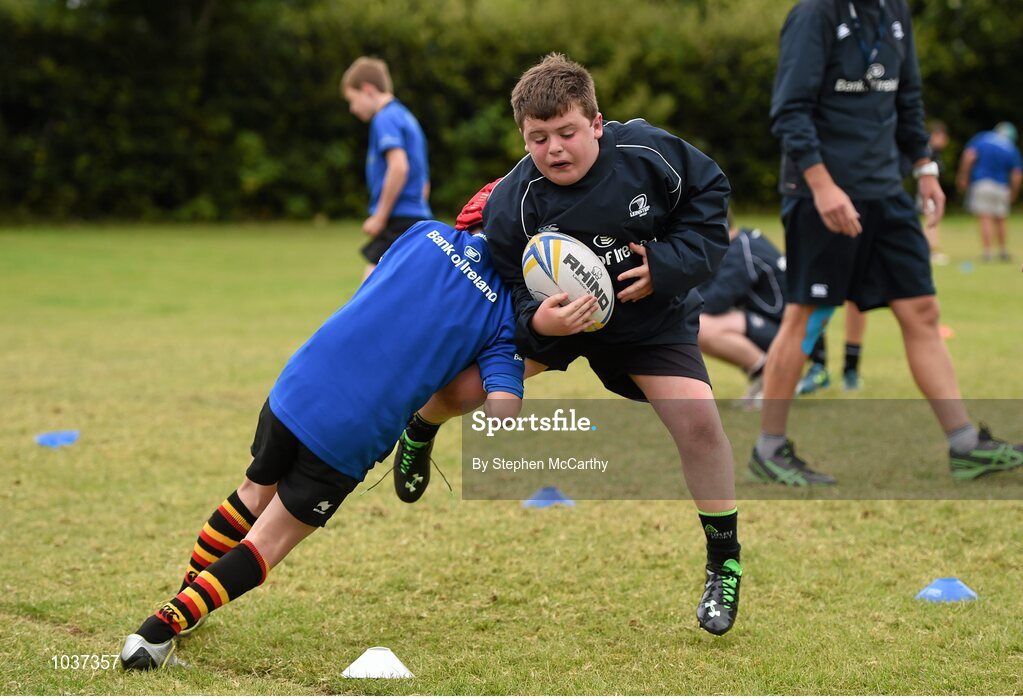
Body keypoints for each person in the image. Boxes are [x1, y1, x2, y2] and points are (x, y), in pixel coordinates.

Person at [392, 54, 744, 636]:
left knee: (700, 423)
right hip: (560, 320)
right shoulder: (513, 203)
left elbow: (710, 205)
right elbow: (506, 297)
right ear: (523, 139)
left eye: (567, 132)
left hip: (648, 319)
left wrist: (666, 266)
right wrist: (541, 325)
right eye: (538, 138)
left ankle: (723, 563)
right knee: (462, 387)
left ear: (597, 124)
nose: (555, 148)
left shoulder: (649, 154)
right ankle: (420, 428)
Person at [118, 205, 525, 670]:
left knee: (251, 494)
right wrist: (546, 332)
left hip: (299, 384)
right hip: (351, 431)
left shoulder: (424, 233)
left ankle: (186, 601)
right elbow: (502, 410)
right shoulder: (506, 316)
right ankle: (156, 633)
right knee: (267, 542)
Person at [756, 0, 1023, 486]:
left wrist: (924, 168)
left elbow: (908, 98)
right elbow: (789, 110)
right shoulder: (815, 14)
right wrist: (821, 184)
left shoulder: (895, 11)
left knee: (922, 311)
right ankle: (769, 447)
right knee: (807, 315)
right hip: (822, 196)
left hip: (886, 192)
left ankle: (964, 444)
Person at [341, 56, 432, 280]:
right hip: (417, 216)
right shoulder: (406, 117)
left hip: (398, 218)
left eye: (352, 100)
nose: (353, 109)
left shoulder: (385, 118)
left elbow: (399, 167)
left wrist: (380, 216)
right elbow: (423, 181)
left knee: (371, 281)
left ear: (368, 90)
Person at [956, 121, 1022, 262]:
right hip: (1002, 186)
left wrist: (963, 176)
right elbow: (1017, 174)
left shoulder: (983, 138)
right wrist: (1013, 192)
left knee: (985, 217)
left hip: (982, 183)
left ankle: (987, 253)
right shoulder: (1011, 148)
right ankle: (1003, 251)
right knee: (1001, 218)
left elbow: (969, 156)